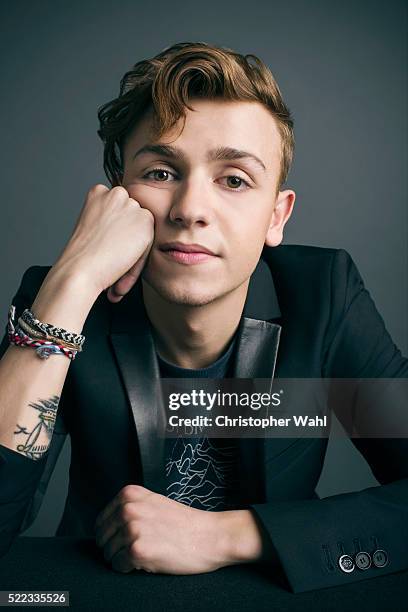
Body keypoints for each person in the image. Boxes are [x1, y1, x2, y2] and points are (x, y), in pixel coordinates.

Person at [0, 41, 407, 593]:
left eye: (234, 179)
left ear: (276, 215)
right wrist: (69, 288)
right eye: (161, 173)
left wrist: (228, 536)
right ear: (118, 196)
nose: (190, 209)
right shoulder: (64, 300)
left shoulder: (323, 294)